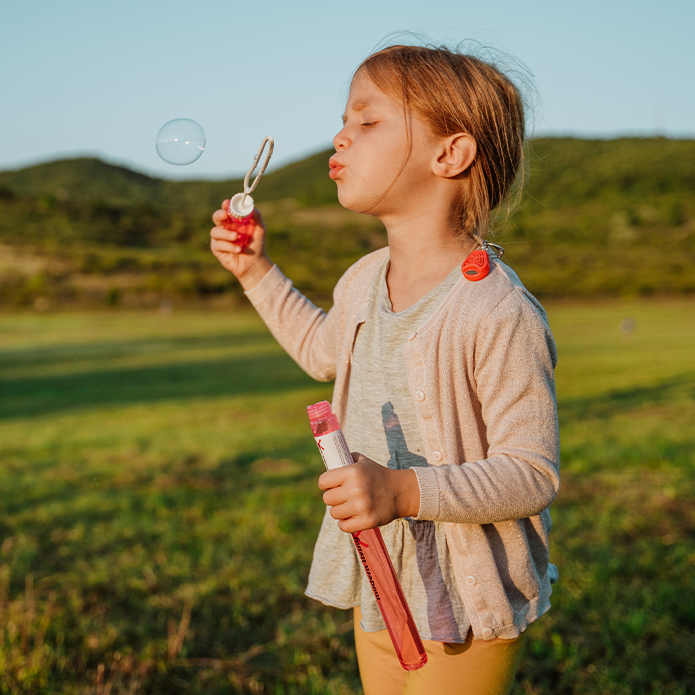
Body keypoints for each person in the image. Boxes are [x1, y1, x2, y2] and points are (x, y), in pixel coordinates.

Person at [210, 44, 560, 695]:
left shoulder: (496, 308)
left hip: (463, 593)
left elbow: (532, 472)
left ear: (449, 154)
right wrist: (255, 271)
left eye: (367, 120)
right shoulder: (365, 277)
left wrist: (402, 491)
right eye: (345, 118)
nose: (341, 134)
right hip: (379, 565)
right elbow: (322, 351)